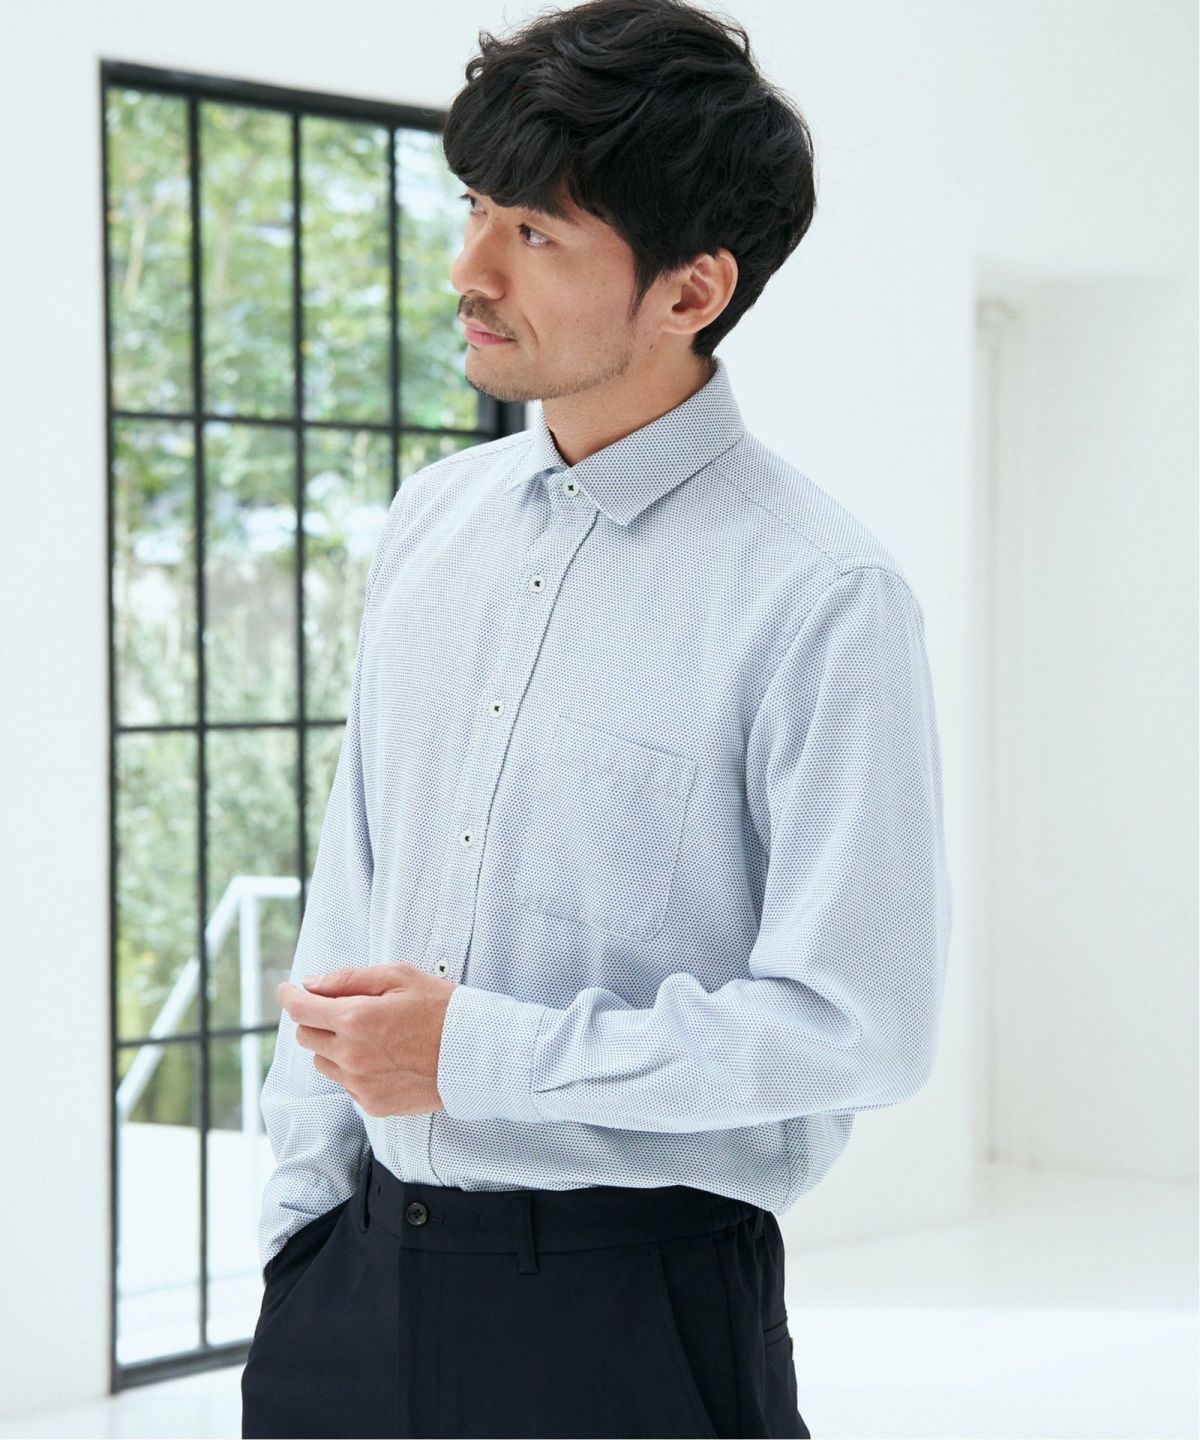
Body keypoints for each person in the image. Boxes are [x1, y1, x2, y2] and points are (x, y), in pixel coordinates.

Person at [240, 0, 953, 1435]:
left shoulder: (821, 593)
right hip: (353, 1289)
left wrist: (476, 1054)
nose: (470, 269)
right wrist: (299, 1230)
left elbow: (858, 1025)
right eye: (475, 209)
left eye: (535, 233)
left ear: (691, 291)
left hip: (630, 1315)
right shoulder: (432, 521)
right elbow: (353, 883)